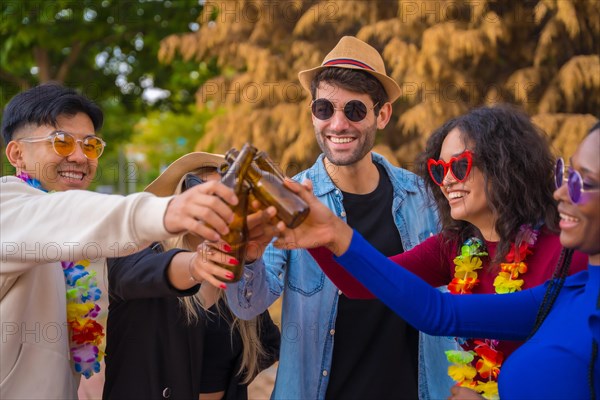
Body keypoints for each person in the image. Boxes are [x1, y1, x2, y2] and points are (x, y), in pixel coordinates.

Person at [274, 120, 599, 398]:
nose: (446, 180)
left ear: (504, 165)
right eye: (438, 169)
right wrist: (319, 238)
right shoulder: (455, 246)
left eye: (459, 166)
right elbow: (364, 284)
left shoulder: (570, 254)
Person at [225, 36, 439, 399]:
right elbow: (248, 305)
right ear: (312, 113)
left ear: (382, 115)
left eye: (355, 110)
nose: (338, 124)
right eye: (325, 109)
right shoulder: (289, 199)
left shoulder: (422, 198)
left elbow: (452, 300)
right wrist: (248, 255)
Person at [0, 84, 241, 399]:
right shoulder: (8, 204)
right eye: (61, 142)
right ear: (17, 153)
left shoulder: (78, 245)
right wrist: (169, 210)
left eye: (90, 146)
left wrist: (201, 263)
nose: (78, 156)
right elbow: (64, 215)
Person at [103, 152, 281, 400]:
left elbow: (268, 344)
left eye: (231, 195)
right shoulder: (138, 250)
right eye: (202, 190)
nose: (215, 206)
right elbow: (129, 278)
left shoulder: (241, 283)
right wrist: (196, 266)